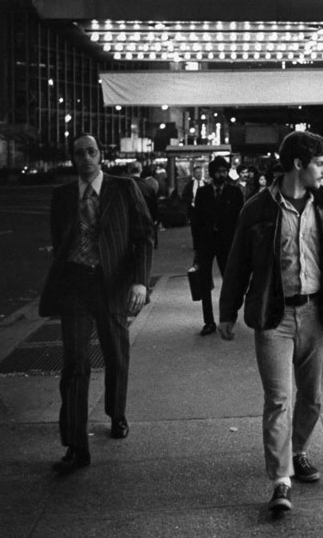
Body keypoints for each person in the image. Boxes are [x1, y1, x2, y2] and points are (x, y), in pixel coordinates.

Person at [218, 131, 323, 514]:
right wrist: (227, 312)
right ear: (299, 164)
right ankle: (281, 480)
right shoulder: (257, 209)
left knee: (311, 396)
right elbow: (237, 265)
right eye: (320, 163)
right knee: (279, 399)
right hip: (274, 315)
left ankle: (297, 450)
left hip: (316, 313)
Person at [39, 133, 154, 473]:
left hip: (112, 284)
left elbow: (145, 235)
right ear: (73, 158)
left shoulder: (123, 187)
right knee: (75, 362)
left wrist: (140, 281)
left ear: (101, 155)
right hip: (75, 285)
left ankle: (116, 413)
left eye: (91, 151)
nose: (86, 157)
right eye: (79, 153)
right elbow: (59, 240)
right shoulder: (61, 196)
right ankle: (76, 444)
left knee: (116, 353)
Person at [194, 156, 244, 336]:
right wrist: (197, 247)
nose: (222, 175)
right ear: (212, 173)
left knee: (230, 280)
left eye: (224, 171)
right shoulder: (202, 193)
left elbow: (241, 221)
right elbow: (196, 221)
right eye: (219, 171)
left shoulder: (235, 193)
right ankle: (209, 321)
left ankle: (229, 314)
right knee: (204, 282)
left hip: (227, 242)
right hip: (207, 242)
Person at [127, 160, 159, 248]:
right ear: (141, 170)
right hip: (145, 221)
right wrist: (155, 220)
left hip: (128, 223)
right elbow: (154, 206)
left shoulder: (123, 187)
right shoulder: (148, 187)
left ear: (129, 170)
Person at [182, 164, 206, 248]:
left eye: (200, 172)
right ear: (193, 174)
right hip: (193, 209)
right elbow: (184, 196)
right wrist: (191, 200)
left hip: (204, 209)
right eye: (197, 172)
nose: (199, 174)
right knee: (195, 227)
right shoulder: (190, 185)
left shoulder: (206, 184)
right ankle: (196, 244)